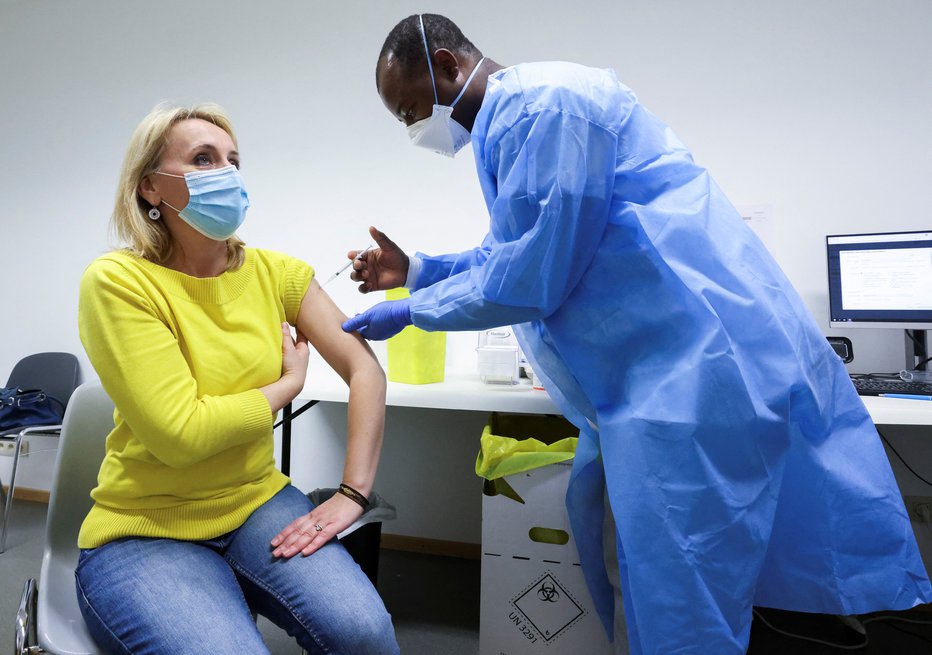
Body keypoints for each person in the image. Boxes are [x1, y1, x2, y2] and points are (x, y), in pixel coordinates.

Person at [341, 13, 932, 655]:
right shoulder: (514, 126)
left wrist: (412, 311)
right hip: (647, 384)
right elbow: (511, 253)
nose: (414, 130)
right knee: (645, 570)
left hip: (691, 376)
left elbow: (533, 277)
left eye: (410, 111)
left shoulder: (553, 108)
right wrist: (419, 271)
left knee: (680, 589)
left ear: (450, 65)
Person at [76, 103, 399, 655]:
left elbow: (363, 367)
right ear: (152, 187)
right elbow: (181, 435)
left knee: (364, 634)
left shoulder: (278, 274)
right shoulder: (119, 282)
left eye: (233, 160)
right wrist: (284, 389)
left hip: (255, 503)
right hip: (145, 526)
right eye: (203, 159)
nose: (226, 174)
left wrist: (353, 493)